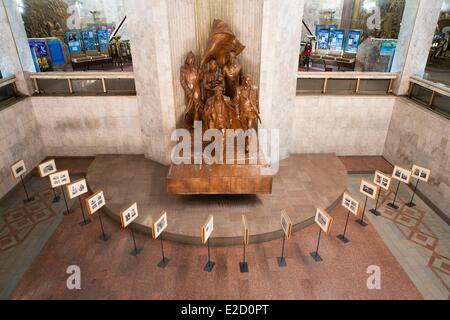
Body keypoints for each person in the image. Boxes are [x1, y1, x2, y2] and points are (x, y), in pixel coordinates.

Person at [180, 51, 203, 129]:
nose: (192, 60)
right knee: (189, 107)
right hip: (188, 90)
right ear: (187, 59)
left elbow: (201, 78)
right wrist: (188, 91)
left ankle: (196, 123)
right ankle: (188, 123)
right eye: (190, 58)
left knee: (197, 106)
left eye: (193, 58)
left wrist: (201, 73)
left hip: (196, 89)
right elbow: (182, 81)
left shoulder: (196, 67)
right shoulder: (183, 68)